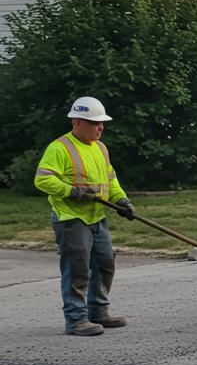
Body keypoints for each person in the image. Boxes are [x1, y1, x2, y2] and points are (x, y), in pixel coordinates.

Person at [34, 97, 135, 336]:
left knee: (105, 264)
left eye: (102, 123)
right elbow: (43, 179)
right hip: (72, 219)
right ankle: (76, 319)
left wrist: (122, 200)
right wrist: (72, 191)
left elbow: (110, 180)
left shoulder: (100, 148)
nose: (101, 128)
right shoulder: (59, 148)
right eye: (95, 123)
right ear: (77, 122)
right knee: (77, 269)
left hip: (97, 217)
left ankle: (98, 312)